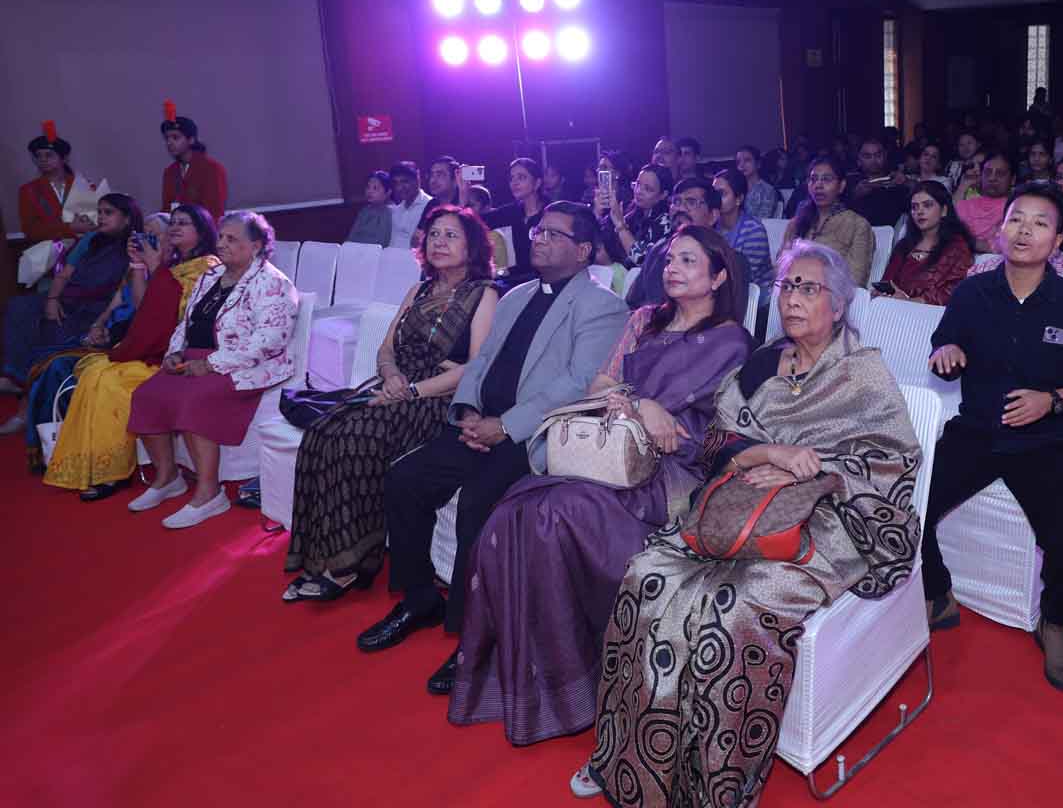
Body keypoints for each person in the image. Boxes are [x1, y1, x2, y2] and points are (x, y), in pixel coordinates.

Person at [571, 241, 921, 805]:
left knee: (732, 608)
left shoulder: (863, 373)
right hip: (740, 507)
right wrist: (768, 454)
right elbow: (715, 445)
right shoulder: (760, 365)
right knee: (647, 576)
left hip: (825, 522)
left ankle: (717, 784)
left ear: (838, 304)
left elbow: (893, 461)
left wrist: (813, 471)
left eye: (809, 288)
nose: (793, 299)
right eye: (787, 286)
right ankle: (628, 756)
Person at [448, 225, 751, 742]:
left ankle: (576, 681)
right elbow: (601, 384)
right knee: (511, 513)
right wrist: (639, 402)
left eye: (688, 260)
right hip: (610, 451)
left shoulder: (731, 342)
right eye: (669, 259)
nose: (672, 268)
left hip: (672, 469)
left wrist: (646, 410)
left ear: (719, 277)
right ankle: (530, 674)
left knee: (551, 515)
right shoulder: (643, 320)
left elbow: (721, 429)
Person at [355, 202, 628, 668]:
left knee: (478, 502)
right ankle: (420, 598)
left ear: (583, 250)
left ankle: (475, 634)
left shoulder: (602, 305)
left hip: (533, 434)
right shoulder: (517, 295)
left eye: (554, 234)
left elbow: (579, 382)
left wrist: (505, 426)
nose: (539, 239)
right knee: (405, 479)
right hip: (479, 423)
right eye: (538, 231)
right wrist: (467, 409)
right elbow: (480, 362)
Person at [922, 182, 1063, 691]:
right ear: (1001, 230)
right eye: (1016, 219)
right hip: (976, 431)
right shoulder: (972, 292)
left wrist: (1051, 401)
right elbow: (944, 343)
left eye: (1040, 223)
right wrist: (945, 354)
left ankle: (1054, 623)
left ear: (1058, 241)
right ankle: (938, 594)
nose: (1025, 230)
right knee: (909, 509)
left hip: (1043, 441)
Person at [282, 205, 500, 601]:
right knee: (321, 433)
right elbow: (386, 348)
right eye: (434, 234)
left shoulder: (483, 294)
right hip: (394, 386)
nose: (439, 242)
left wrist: (413, 390)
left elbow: (474, 369)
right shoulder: (418, 291)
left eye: (451, 235)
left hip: (436, 399)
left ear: (472, 246)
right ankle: (324, 552)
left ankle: (349, 565)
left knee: (356, 439)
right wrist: (391, 373)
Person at [125, 211, 298, 527]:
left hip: (244, 364)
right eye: (221, 237)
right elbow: (186, 322)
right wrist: (174, 352)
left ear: (256, 245)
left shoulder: (273, 282)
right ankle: (168, 478)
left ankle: (209, 494)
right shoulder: (210, 275)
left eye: (232, 239)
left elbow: (269, 341)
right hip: (195, 357)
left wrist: (211, 364)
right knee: (146, 395)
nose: (221, 244)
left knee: (193, 399)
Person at [43, 206, 221, 499]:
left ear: (201, 231)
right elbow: (143, 306)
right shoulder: (174, 263)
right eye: (173, 223)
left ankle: (112, 472)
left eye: (184, 223)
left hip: (177, 349)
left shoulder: (209, 266)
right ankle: (90, 468)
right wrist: (139, 265)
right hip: (155, 342)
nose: (175, 227)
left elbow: (185, 314)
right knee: (95, 373)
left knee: (113, 384)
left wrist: (156, 268)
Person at [2, 192, 141, 429]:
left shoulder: (134, 245)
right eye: (99, 212)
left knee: (55, 332)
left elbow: (123, 292)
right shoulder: (91, 239)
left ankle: (26, 407)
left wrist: (101, 320)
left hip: (97, 306)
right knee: (19, 307)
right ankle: (14, 375)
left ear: (127, 218)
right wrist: (52, 300)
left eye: (108, 213)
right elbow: (64, 274)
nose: (101, 217)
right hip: (67, 296)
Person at [625, 179, 750, 321]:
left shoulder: (731, 261)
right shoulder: (658, 251)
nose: (681, 209)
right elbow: (632, 302)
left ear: (713, 215)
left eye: (691, 202)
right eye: (676, 202)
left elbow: (730, 317)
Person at [877, 180, 974, 305]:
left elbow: (954, 290)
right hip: (893, 307)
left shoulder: (957, 247)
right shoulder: (904, 246)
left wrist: (913, 301)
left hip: (931, 313)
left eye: (927, 205)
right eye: (914, 207)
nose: (919, 211)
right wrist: (881, 292)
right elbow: (887, 282)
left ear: (944, 211)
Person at [784, 155, 875, 286]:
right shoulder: (796, 223)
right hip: (793, 290)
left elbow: (856, 279)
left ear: (841, 186)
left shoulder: (858, 225)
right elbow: (780, 267)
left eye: (826, 179)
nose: (818, 185)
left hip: (832, 294)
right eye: (813, 179)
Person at [18, 123, 90, 244]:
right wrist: (69, 227)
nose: (43, 160)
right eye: (38, 156)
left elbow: (93, 220)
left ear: (64, 158)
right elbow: (30, 230)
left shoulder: (82, 184)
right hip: (47, 251)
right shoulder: (28, 190)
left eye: (49, 155)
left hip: (83, 248)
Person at [598, 163, 673, 268]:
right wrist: (597, 213)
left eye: (647, 189)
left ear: (663, 195)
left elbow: (642, 260)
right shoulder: (630, 210)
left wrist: (621, 226)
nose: (638, 191)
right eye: (638, 184)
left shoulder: (665, 222)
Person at [484, 158, 548, 281]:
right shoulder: (508, 212)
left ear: (537, 183)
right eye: (512, 178)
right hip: (511, 282)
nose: (514, 183)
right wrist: (463, 195)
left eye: (521, 177)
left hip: (543, 280)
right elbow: (472, 223)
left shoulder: (551, 213)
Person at [711, 168, 774, 289]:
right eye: (713, 194)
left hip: (754, 294)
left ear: (738, 199)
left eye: (722, 194)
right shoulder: (712, 226)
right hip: (721, 288)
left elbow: (742, 276)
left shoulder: (754, 230)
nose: (715, 199)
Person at [160, 114, 227, 220]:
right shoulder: (170, 172)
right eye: (167, 138)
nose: (169, 143)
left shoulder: (212, 168)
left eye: (175, 137)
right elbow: (166, 209)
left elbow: (214, 212)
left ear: (191, 140)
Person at [956, 153, 1015, 252]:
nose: (992, 178)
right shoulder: (965, 205)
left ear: (1012, 179)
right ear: (981, 176)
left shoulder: (1015, 208)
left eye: (1000, 173)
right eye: (987, 172)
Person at [847, 137, 910, 228]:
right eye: (867, 156)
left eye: (878, 155)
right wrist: (855, 195)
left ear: (885, 156)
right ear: (859, 161)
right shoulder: (851, 182)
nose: (873, 160)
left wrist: (907, 183)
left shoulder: (896, 179)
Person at [387, 162, 431, 249]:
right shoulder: (396, 210)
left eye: (405, 181)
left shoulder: (430, 206)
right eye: (396, 183)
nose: (400, 187)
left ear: (417, 179)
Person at [345, 170, 394, 246]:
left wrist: (358, 244)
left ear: (388, 192)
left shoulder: (389, 212)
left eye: (375, 188)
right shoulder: (364, 211)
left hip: (374, 251)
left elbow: (381, 241)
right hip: (356, 250)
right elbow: (351, 237)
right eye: (368, 187)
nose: (369, 191)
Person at [735, 144, 781, 220]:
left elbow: (763, 219)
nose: (741, 165)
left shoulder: (767, 190)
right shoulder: (736, 189)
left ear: (758, 164)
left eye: (747, 160)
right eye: (738, 162)